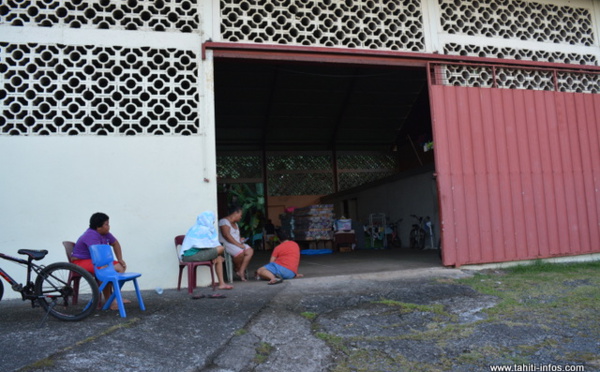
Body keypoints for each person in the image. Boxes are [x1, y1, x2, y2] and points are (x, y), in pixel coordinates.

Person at [72, 212, 128, 310]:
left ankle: (115, 296)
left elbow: (115, 243)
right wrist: (107, 266)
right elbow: (98, 256)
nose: (109, 226)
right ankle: (110, 301)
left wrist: (120, 259)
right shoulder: (91, 235)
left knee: (121, 266)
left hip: (95, 260)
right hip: (81, 261)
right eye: (106, 224)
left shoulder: (105, 233)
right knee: (104, 270)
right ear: (98, 227)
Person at [181, 211, 233, 292]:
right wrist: (213, 254)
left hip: (188, 256)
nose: (213, 222)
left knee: (218, 258)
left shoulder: (194, 228)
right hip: (192, 255)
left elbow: (204, 245)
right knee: (221, 249)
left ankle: (222, 284)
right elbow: (205, 246)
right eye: (212, 220)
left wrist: (214, 255)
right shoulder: (204, 229)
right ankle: (222, 284)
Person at [218, 204, 254, 281]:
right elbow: (226, 235)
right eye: (240, 215)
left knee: (250, 251)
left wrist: (240, 239)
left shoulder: (236, 224)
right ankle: (237, 269)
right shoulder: (224, 221)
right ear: (235, 213)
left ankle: (241, 271)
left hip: (237, 243)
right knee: (240, 252)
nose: (241, 217)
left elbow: (236, 236)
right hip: (227, 244)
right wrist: (238, 244)